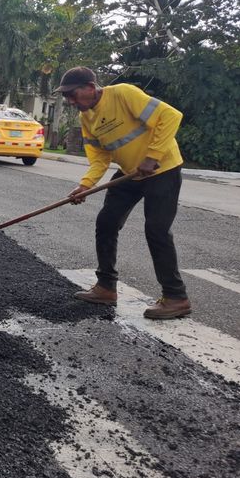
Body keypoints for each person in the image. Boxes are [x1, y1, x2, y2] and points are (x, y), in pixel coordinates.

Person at [57, 66, 190, 320]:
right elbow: (99, 159)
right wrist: (85, 185)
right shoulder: (87, 118)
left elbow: (171, 116)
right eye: (67, 97)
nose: (71, 101)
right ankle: (106, 287)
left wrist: (152, 157)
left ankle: (176, 297)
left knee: (157, 229)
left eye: (73, 94)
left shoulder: (123, 93)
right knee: (106, 222)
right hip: (131, 172)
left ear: (90, 87)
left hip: (162, 169)